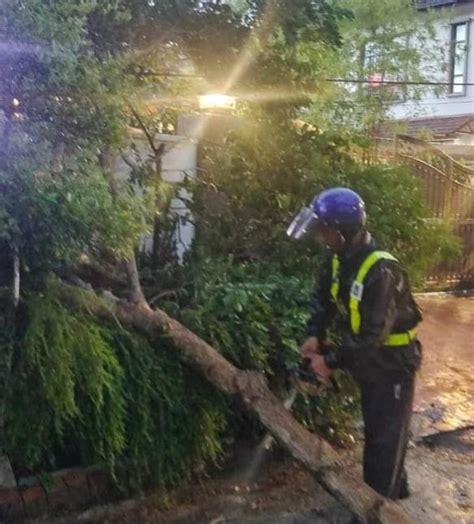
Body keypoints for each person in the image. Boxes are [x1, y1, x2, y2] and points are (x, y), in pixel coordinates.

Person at [287, 187, 422, 503]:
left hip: (393, 364)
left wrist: (329, 362)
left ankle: (375, 511)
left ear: (343, 232)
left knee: (382, 442)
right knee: (382, 433)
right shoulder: (338, 259)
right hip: (370, 358)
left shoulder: (381, 269)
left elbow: (371, 337)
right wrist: (314, 334)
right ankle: (394, 495)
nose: (320, 237)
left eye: (325, 231)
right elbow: (323, 299)